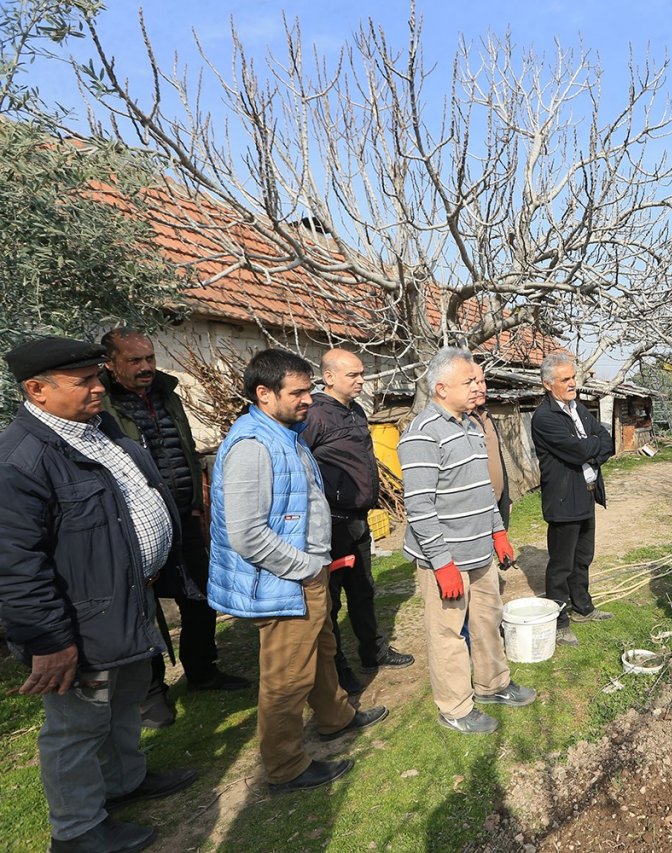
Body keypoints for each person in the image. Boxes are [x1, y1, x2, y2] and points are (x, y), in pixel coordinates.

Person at [0, 336, 198, 853]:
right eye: (83, 380)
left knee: (126, 700)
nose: (96, 386)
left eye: (96, 375)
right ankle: (77, 830)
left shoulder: (99, 428)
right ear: (38, 391)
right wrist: (49, 641)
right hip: (79, 624)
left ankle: (124, 782)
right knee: (78, 726)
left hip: (128, 601)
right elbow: (16, 566)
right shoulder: (20, 461)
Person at [207, 349, 386, 794]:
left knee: (321, 648)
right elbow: (247, 534)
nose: (309, 399)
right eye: (299, 392)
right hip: (284, 581)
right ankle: (285, 766)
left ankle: (335, 717)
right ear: (263, 394)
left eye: (309, 389)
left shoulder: (286, 433)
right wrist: (306, 568)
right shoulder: (252, 446)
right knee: (287, 677)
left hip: (305, 574)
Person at [99, 329, 251, 729]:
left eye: (149, 358)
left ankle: (202, 671)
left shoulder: (168, 393)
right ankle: (151, 694)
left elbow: (183, 449)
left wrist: (199, 505)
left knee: (201, 597)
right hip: (139, 526)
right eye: (135, 361)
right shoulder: (102, 405)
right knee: (146, 611)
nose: (147, 367)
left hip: (185, 517)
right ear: (111, 364)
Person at [398, 347, 535, 735]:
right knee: (447, 635)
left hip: (480, 551)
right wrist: (441, 562)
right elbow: (420, 506)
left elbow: (481, 491)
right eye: (469, 381)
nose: (479, 386)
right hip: (448, 558)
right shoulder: (423, 434)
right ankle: (456, 707)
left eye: (478, 380)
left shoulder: (471, 426)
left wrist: (498, 530)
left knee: (488, 620)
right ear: (441, 388)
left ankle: (493, 685)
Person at [302, 349, 414, 697]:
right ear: (329, 377)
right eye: (353, 375)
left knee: (363, 589)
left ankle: (373, 651)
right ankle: (337, 671)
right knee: (330, 602)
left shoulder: (356, 411)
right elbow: (300, 466)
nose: (361, 380)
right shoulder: (315, 415)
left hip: (358, 520)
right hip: (331, 525)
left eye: (362, 373)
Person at [530, 352, 615, 647]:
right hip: (564, 499)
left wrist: (591, 447)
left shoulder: (577, 407)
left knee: (583, 558)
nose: (572, 383)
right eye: (565, 379)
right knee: (561, 564)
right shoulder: (545, 417)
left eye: (573, 377)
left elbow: (607, 439)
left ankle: (583, 606)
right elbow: (578, 451)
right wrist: (591, 448)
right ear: (547, 384)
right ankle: (559, 619)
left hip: (587, 494)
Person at [468, 360, 512, 529]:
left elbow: (497, 458)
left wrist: (506, 497)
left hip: (497, 505)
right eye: (474, 382)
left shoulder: (486, 415)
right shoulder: (457, 422)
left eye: (482, 381)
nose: (482, 388)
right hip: (474, 513)